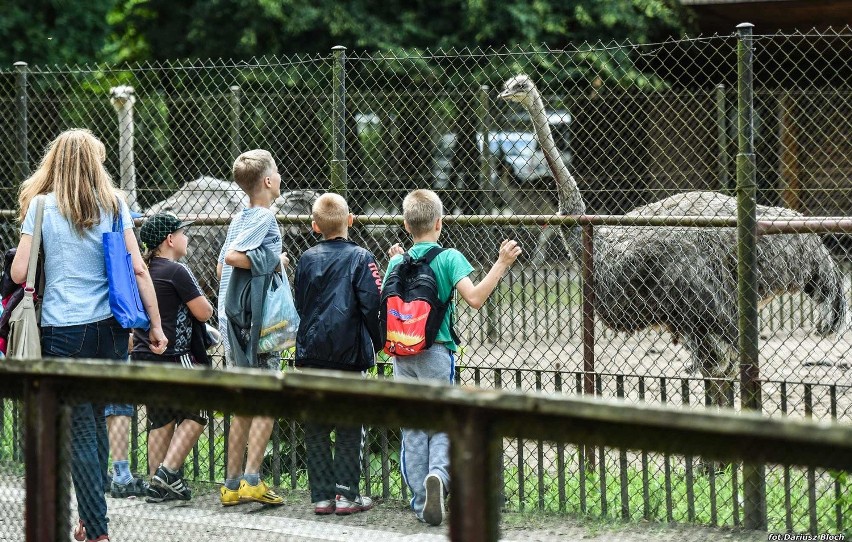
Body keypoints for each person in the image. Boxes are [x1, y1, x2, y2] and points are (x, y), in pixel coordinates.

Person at [11, 128, 167, 542]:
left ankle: (97, 530)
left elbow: (19, 273)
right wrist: (154, 324)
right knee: (96, 424)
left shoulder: (41, 207)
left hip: (64, 331)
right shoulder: (115, 204)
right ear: (95, 164)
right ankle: (91, 519)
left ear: (54, 164)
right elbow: (137, 267)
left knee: (80, 430)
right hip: (112, 331)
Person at [385, 189, 521, 526]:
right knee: (444, 422)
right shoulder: (449, 258)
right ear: (439, 223)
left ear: (406, 224)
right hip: (436, 350)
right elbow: (474, 298)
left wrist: (398, 259)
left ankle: (420, 502)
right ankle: (439, 478)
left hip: (401, 353)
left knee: (413, 426)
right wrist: (501, 264)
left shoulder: (395, 261)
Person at [294, 193, 381, 516]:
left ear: (315, 226)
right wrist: (380, 342)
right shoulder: (362, 258)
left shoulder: (306, 258)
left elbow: (301, 303)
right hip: (348, 355)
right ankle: (347, 495)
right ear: (350, 220)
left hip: (311, 354)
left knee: (315, 426)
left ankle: (321, 497)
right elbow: (373, 305)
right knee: (349, 425)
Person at [216, 149, 287, 507]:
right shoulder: (264, 217)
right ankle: (252, 479)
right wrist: (275, 259)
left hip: (230, 323)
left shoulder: (238, 216)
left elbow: (220, 269)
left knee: (242, 402)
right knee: (266, 400)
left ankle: (230, 485)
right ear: (268, 181)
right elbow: (232, 259)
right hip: (254, 326)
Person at [131, 212, 214, 503]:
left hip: (143, 355)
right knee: (200, 410)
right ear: (169, 239)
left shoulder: (143, 269)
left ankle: (157, 484)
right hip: (175, 356)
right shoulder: (177, 271)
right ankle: (166, 473)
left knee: (160, 416)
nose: (186, 237)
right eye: (182, 233)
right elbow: (204, 312)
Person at [102, 335, 148, 499]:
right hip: (112, 334)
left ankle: (99, 473)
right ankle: (121, 476)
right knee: (119, 404)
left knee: (102, 403)